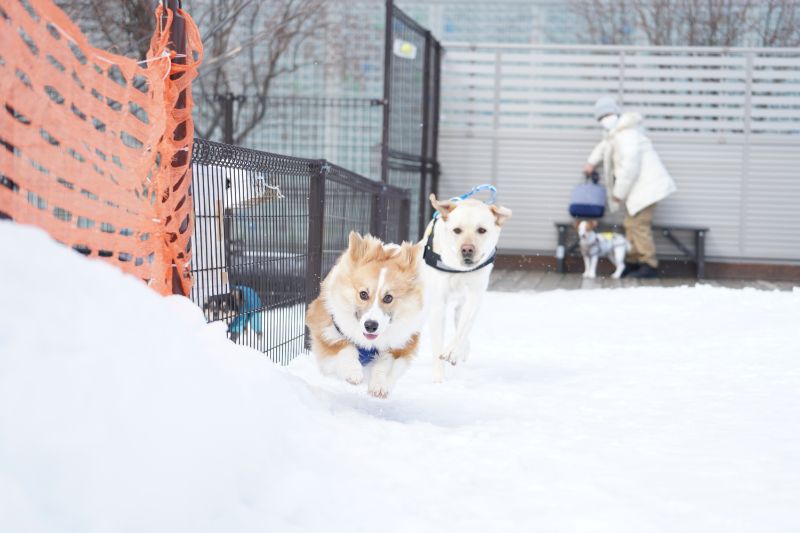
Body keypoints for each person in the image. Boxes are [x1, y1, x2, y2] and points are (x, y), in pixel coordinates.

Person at [583, 97, 677, 278]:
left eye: (608, 114)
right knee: (630, 224)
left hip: (648, 189)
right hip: (640, 189)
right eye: (601, 117)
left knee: (639, 226)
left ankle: (648, 264)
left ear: (616, 113)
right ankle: (633, 262)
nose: (605, 119)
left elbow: (630, 167)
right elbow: (604, 148)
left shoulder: (628, 134)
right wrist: (590, 162)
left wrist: (618, 193)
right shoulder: (617, 134)